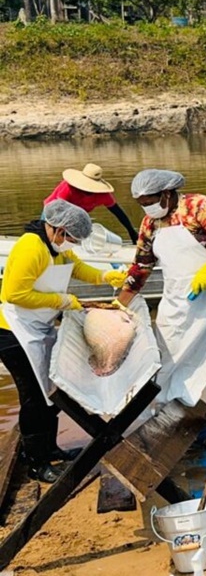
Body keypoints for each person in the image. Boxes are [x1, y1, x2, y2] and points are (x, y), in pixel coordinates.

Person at [116, 170, 206, 450]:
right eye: (140, 203)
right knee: (168, 357)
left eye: (148, 200)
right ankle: (176, 417)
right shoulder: (151, 224)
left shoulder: (202, 208)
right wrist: (118, 305)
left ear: (166, 193)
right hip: (178, 296)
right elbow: (141, 266)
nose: (146, 207)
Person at [0, 200, 127, 482]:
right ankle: (36, 462)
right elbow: (13, 295)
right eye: (71, 239)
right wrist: (64, 300)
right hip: (13, 330)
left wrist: (107, 276)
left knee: (52, 392)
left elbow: (79, 268)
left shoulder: (57, 248)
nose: (73, 245)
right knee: (33, 397)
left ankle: (50, 448)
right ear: (58, 230)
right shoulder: (31, 247)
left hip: (39, 326)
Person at [44, 163, 140, 243]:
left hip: (74, 218)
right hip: (52, 213)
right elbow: (58, 210)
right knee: (49, 240)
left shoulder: (103, 195)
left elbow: (118, 213)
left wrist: (131, 231)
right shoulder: (68, 188)